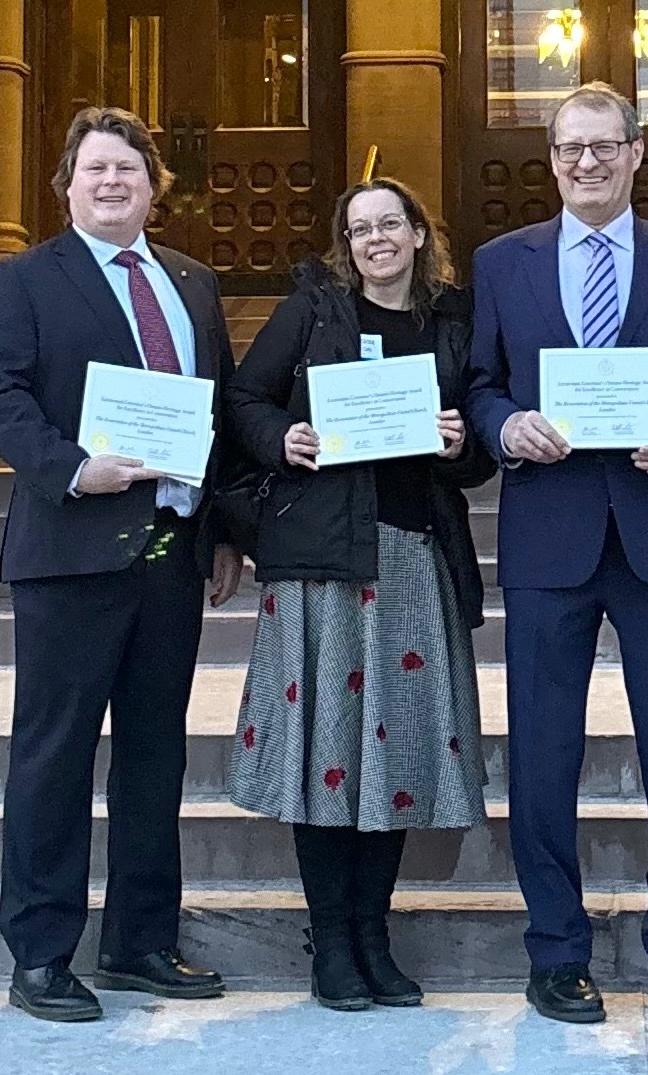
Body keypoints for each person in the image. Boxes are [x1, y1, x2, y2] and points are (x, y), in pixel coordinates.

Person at [0, 106, 243, 1022]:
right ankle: (41, 952)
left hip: (171, 551)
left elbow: (220, 412)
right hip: (71, 549)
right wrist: (74, 468)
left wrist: (227, 528)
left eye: (129, 168)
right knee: (55, 756)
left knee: (155, 756)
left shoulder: (194, 284)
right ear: (68, 186)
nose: (113, 182)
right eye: (96, 170)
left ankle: (140, 941)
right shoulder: (23, 280)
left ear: (154, 185)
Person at [466, 82, 648, 1024]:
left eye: (604, 146)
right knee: (543, 754)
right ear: (550, 160)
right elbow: (480, 385)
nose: (587, 162)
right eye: (570, 148)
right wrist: (508, 428)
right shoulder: (502, 264)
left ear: (634, 154)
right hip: (550, 535)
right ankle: (556, 951)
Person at [225, 177, 494, 1012]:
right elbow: (242, 399)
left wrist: (460, 443)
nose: (376, 239)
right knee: (325, 752)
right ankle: (331, 940)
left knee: (399, 754)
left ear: (419, 233)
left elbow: (481, 449)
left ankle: (374, 937)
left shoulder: (453, 321)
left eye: (391, 224)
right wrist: (284, 438)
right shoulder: (312, 312)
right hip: (318, 562)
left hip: (413, 556)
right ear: (347, 243)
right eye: (359, 228)